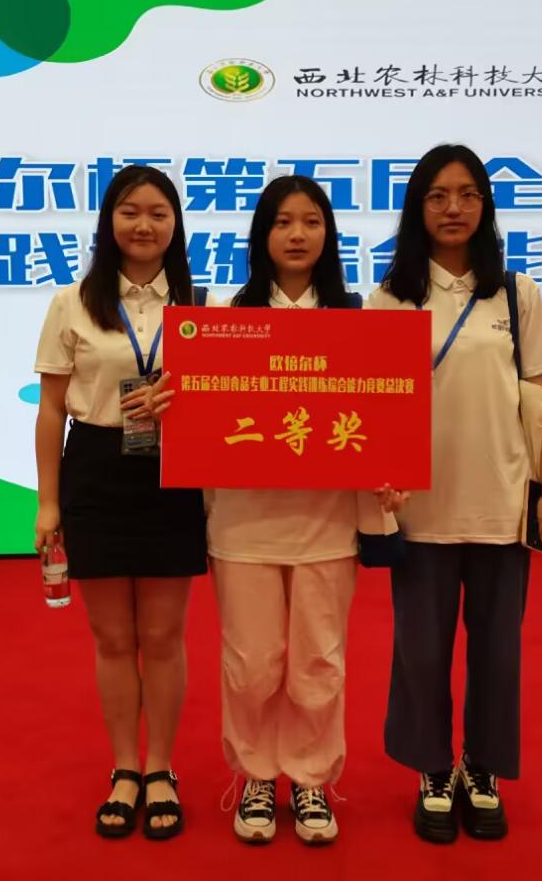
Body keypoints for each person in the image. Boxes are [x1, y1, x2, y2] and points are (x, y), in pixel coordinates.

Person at [142, 176, 403, 845]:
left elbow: (384, 417)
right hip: (244, 523)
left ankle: (311, 779)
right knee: (251, 661)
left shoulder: (356, 320)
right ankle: (256, 775)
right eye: (282, 222)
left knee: (318, 661)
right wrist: (170, 407)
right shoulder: (221, 318)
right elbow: (188, 416)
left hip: (326, 523)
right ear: (261, 236)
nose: (296, 234)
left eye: (310, 221)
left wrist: (393, 467)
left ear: (328, 235)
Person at [368, 144, 542, 843]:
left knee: (497, 652)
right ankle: (431, 768)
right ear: (416, 208)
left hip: (500, 501)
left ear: (485, 205)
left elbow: (535, 398)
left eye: (467, 194)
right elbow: (375, 403)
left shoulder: (516, 293)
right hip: (420, 507)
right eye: (437, 196)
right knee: (420, 653)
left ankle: (482, 769)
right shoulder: (389, 296)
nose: (453, 208)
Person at [32, 164, 207, 841]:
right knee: (112, 638)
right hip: (96, 470)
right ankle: (125, 769)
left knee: (162, 637)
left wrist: (184, 400)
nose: (143, 225)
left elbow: (225, 398)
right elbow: (51, 411)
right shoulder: (72, 302)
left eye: (158, 213)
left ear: (175, 225)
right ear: (108, 222)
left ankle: (161, 768)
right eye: (130, 211)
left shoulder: (202, 303)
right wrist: (48, 505)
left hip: (174, 473)